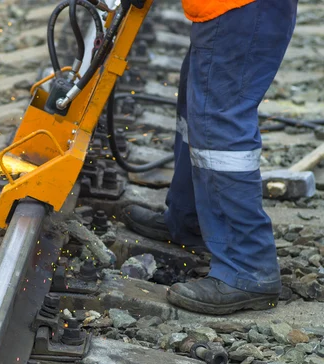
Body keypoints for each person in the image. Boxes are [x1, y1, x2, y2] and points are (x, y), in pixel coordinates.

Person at [122, 0, 298, 315]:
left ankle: (246, 267)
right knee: (199, 113)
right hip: (228, 8)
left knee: (218, 127)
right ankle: (191, 221)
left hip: (241, 7)